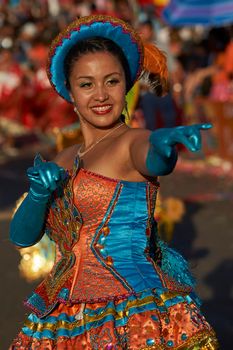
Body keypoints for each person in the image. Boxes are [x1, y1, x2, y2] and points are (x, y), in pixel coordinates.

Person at [9, 15, 219, 349]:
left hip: (134, 316)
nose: (101, 95)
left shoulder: (131, 142)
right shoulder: (61, 160)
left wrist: (164, 144)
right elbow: (20, 238)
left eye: (112, 81)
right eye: (87, 84)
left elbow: (153, 157)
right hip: (60, 321)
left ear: (126, 86)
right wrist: (37, 195)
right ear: (70, 91)